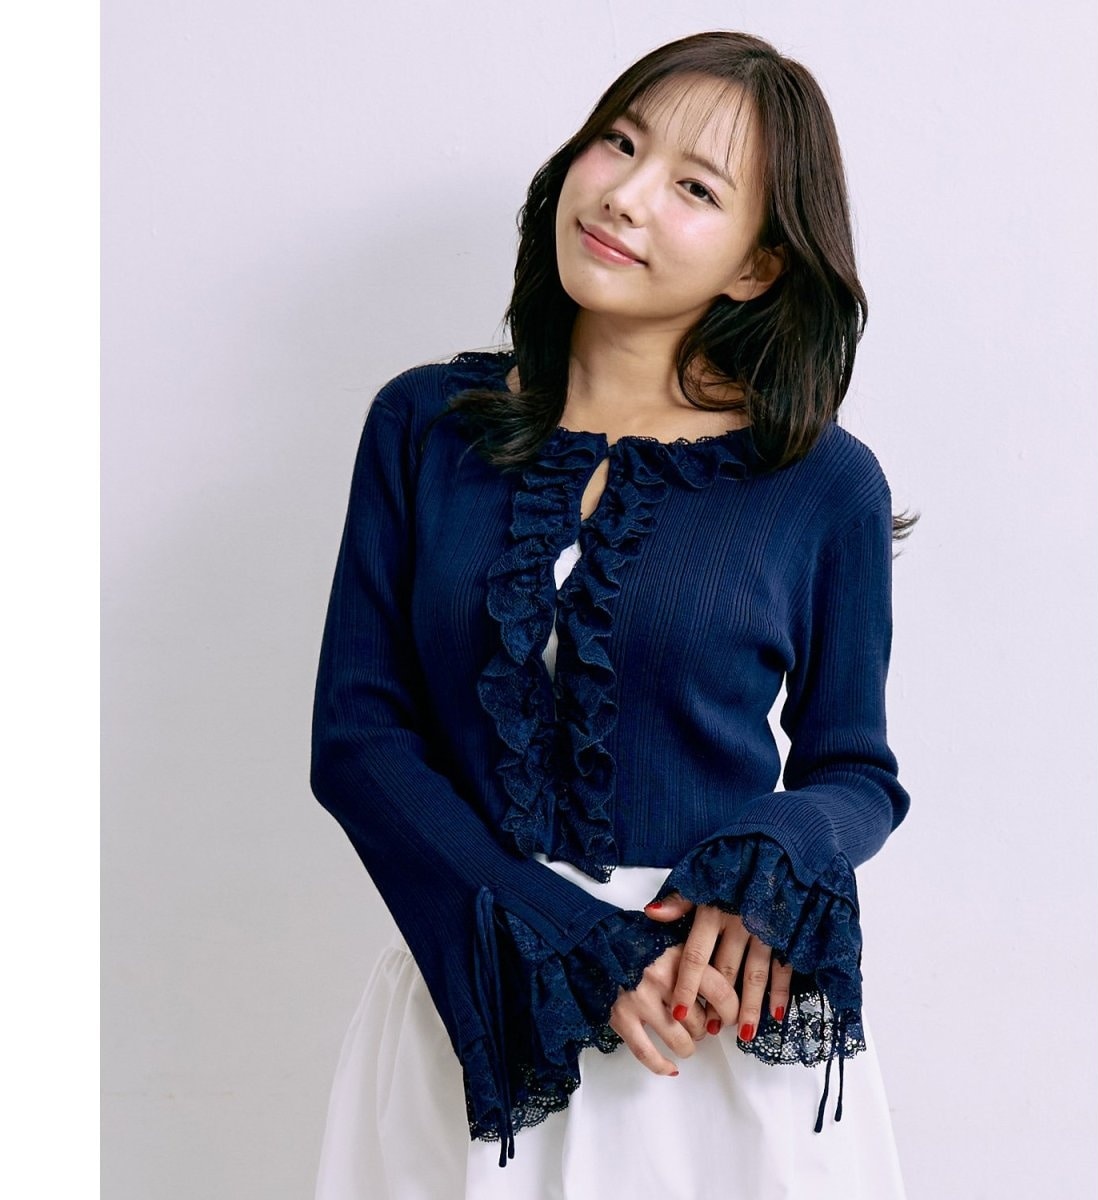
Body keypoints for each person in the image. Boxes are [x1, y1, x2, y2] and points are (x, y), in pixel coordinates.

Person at [309, 29, 916, 1200]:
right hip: (482, 998)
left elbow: (855, 772)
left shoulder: (823, 482)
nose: (627, 197)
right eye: (620, 144)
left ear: (758, 266)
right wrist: (560, 932)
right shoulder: (424, 426)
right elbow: (358, 739)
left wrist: (773, 855)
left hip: (710, 1018)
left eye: (696, 188)